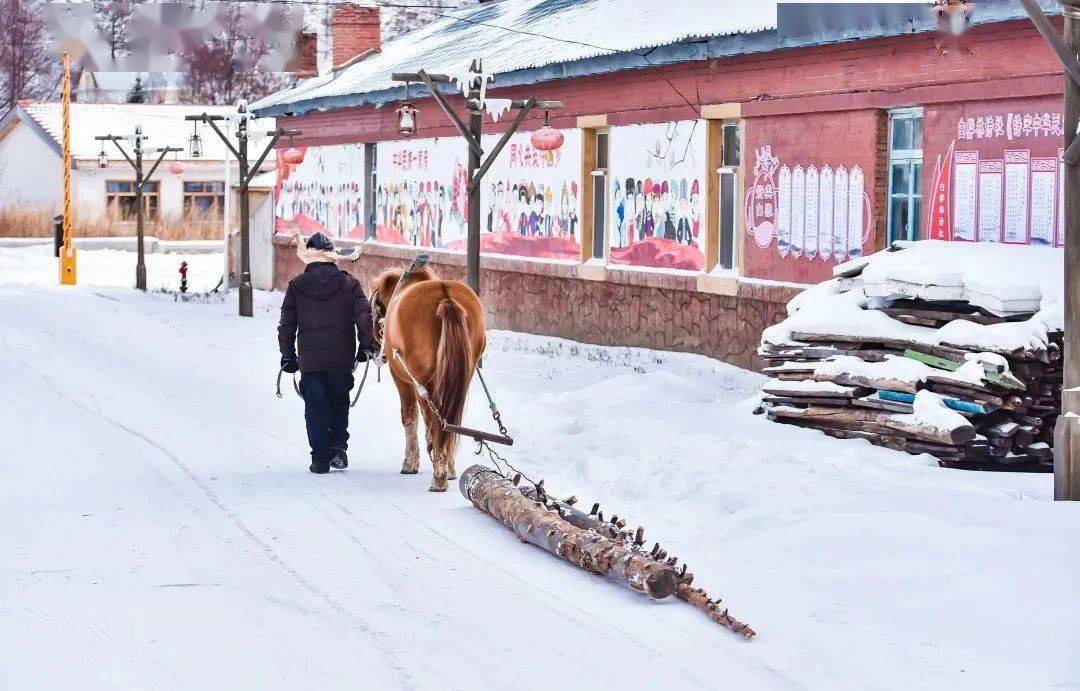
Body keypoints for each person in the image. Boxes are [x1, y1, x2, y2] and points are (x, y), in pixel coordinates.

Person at [278, 232, 376, 474]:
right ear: (332, 256)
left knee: (315, 406)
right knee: (339, 402)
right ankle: (338, 449)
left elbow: (286, 326)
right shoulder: (349, 283)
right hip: (340, 358)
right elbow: (364, 317)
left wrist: (288, 355)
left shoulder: (296, 286)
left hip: (310, 361)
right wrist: (366, 346)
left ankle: (320, 459)